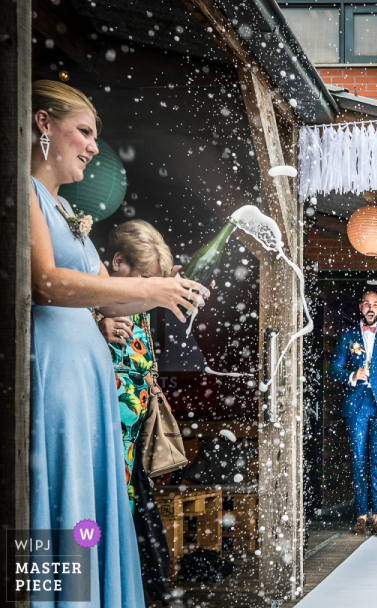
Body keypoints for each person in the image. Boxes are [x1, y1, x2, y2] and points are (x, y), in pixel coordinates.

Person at [29, 80, 206, 607]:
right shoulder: (25, 192)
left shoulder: (62, 208)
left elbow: (108, 302)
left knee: (90, 505)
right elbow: (47, 283)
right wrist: (148, 287)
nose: (91, 146)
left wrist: (166, 294)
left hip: (89, 387)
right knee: (63, 496)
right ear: (43, 124)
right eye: (83, 131)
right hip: (56, 378)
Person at [97, 220, 177, 601]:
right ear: (117, 263)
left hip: (131, 439)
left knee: (129, 516)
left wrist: (149, 380)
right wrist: (96, 322)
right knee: (99, 512)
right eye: (145, 277)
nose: (150, 288)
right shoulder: (92, 297)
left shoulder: (139, 308)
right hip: (101, 428)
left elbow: (140, 356)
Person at [329, 291, 377, 535]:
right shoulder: (347, 336)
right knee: (359, 461)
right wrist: (351, 375)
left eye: (375, 305)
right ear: (360, 307)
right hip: (356, 407)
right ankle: (361, 515)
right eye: (367, 304)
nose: (371, 308)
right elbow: (333, 370)